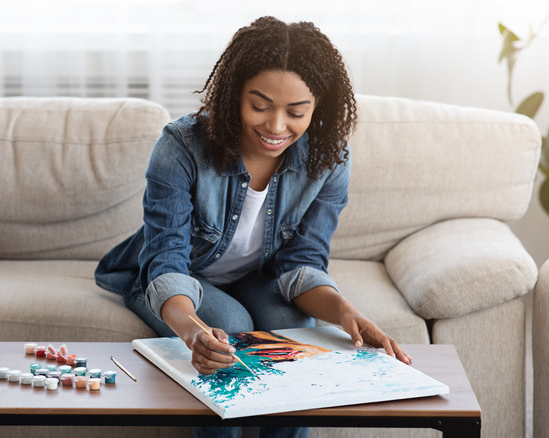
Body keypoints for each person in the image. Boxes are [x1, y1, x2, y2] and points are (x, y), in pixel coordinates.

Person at [95, 16, 411, 438]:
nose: (276, 127)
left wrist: (346, 313)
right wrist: (193, 334)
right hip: (172, 278)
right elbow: (166, 258)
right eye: (260, 106)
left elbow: (302, 262)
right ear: (233, 95)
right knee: (235, 326)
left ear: (319, 107)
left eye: (296, 112)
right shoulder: (182, 147)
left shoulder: (329, 158)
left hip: (256, 279)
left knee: (292, 332)